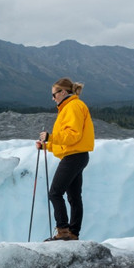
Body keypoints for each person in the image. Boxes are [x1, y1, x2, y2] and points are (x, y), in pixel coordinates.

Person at [37, 77, 95, 241]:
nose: (53, 98)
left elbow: (72, 136)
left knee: (55, 193)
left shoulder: (73, 107)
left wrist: (50, 137)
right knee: (74, 198)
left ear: (63, 92)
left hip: (74, 156)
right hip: (77, 155)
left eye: (54, 94)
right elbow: (67, 143)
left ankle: (63, 231)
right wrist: (46, 146)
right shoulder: (71, 107)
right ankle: (73, 233)